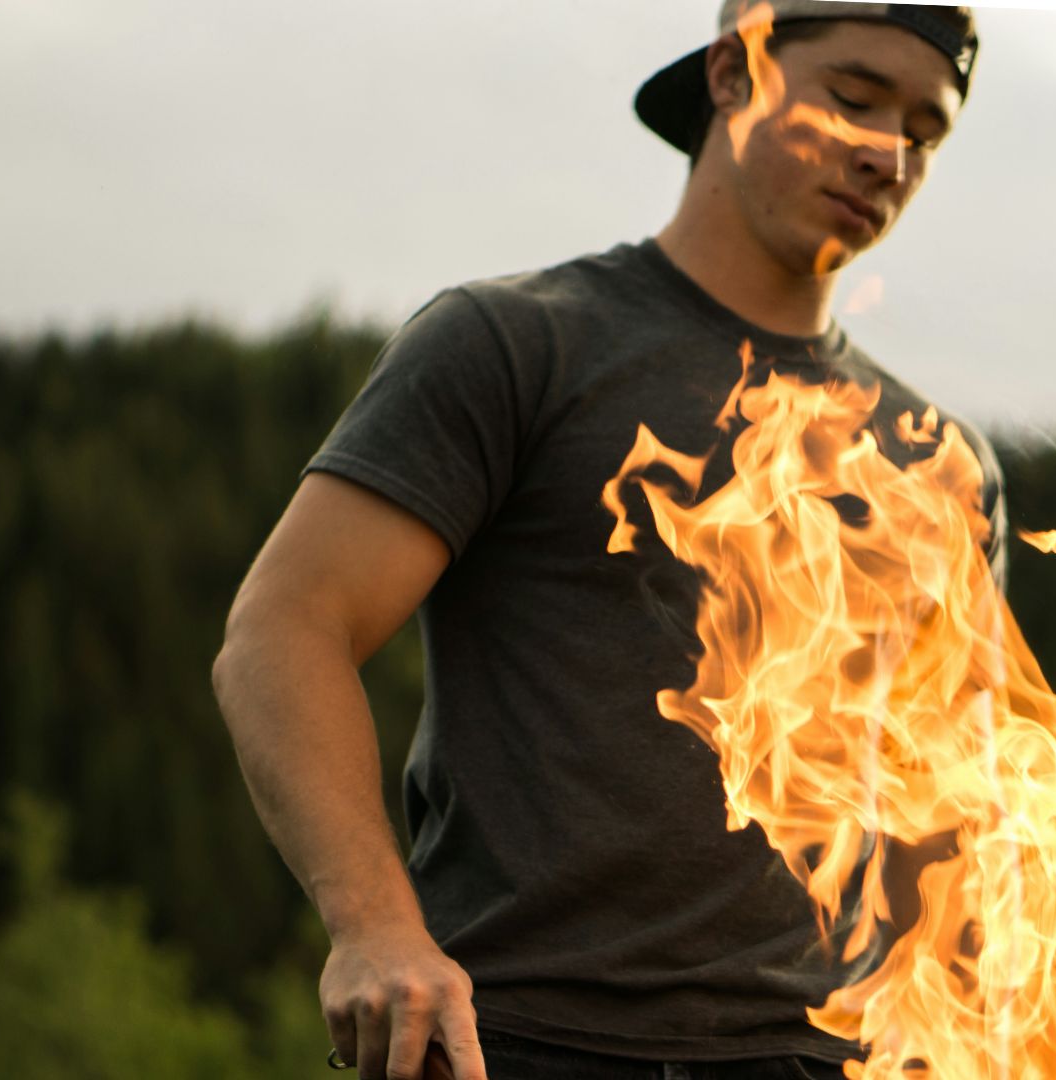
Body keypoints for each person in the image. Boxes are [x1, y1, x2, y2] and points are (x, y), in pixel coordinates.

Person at [212, 4, 999, 1079]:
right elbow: (284, 632)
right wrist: (375, 928)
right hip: (516, 1044)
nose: (888, 152)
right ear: (733, 74)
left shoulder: (936, 463)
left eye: (926, 129)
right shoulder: (517, 346)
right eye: (852, 99)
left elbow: (932, 805)